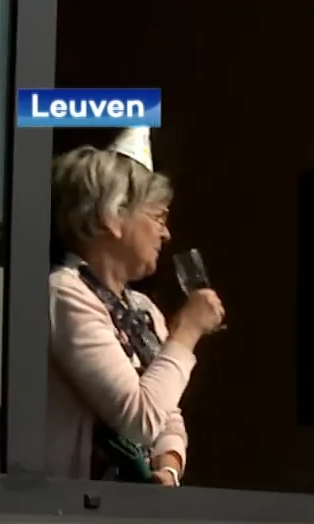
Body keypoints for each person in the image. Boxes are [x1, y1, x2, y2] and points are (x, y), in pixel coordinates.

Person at [47, 130, 224, 483]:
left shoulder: (141, 309)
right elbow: (140, 419)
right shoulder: (65, 293)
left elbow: (166, 414)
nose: (166, 233)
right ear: (109, 217)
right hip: (74, 517)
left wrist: (169, 467)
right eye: (158, 217)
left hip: (125, 514)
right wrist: (187, 332)